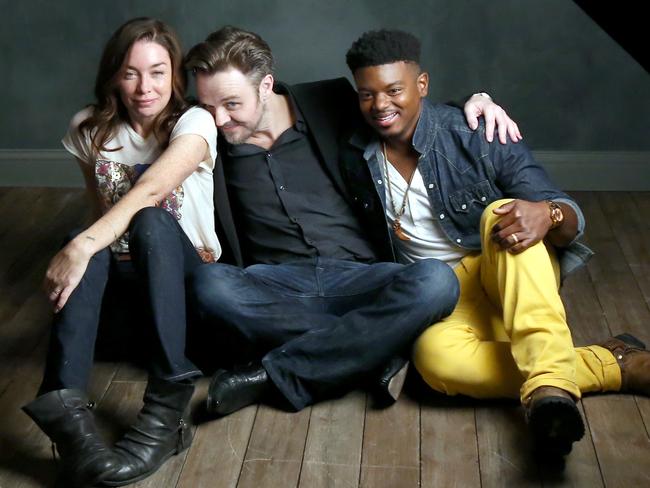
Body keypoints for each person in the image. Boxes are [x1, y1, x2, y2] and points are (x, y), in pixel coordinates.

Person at [341, 28, 650, 457]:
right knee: (434, 362)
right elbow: (288, 104)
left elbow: (568, 214)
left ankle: (550, 388)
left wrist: (549, 213)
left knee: (501, 212)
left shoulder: (476, 131)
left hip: (506, 274)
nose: (380, 105)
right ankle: (611, 364)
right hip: (443, 293)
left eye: (394, 90)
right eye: (366, 94)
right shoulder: (354, 153)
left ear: (422, 84)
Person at [183, 26, 519, 417]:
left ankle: (278, 373)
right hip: (275, 286)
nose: (219, 118)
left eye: (231, 104)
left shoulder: (330, 100)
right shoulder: (205, 136)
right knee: (209, 285)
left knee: (435, 282)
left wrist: (477, 101)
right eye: (209, 107)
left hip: (361, 278)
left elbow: (409, 115)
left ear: (265, 85)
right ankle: (376, 347)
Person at [22, 18, 219, 487]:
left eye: (157, 71)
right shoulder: (88, 128)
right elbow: (98, 211)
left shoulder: (195, 122)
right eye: (130, 72)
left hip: (189, 277)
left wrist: (83, 244)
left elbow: (152, 191)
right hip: (127, 281)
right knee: (88, 235)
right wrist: (88, 244)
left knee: (142, 220)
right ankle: (63, 405)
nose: (144, 87)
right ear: (113, 75)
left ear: (175, 74)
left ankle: (169, 403)